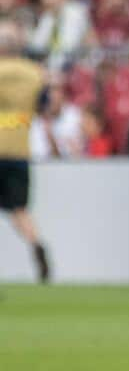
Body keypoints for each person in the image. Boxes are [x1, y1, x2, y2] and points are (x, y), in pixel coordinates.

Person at [0, 19, 50, 282]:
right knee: (20, 209)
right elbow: (44, 105)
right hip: (19, 148)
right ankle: (37, 245)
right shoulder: (35, 73)